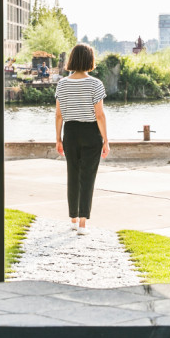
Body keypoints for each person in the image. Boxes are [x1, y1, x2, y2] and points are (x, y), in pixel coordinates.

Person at [54, 43, 110, 235]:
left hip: (70, 131)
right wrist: (106, 140)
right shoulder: (95, 84)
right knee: (88, 177)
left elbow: (59, 115)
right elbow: (100, 115)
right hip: (90, 132)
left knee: (73, 174)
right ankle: (83, 224)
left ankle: (73, 219)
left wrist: (58, 139)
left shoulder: (62, 83)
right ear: (90, 60)